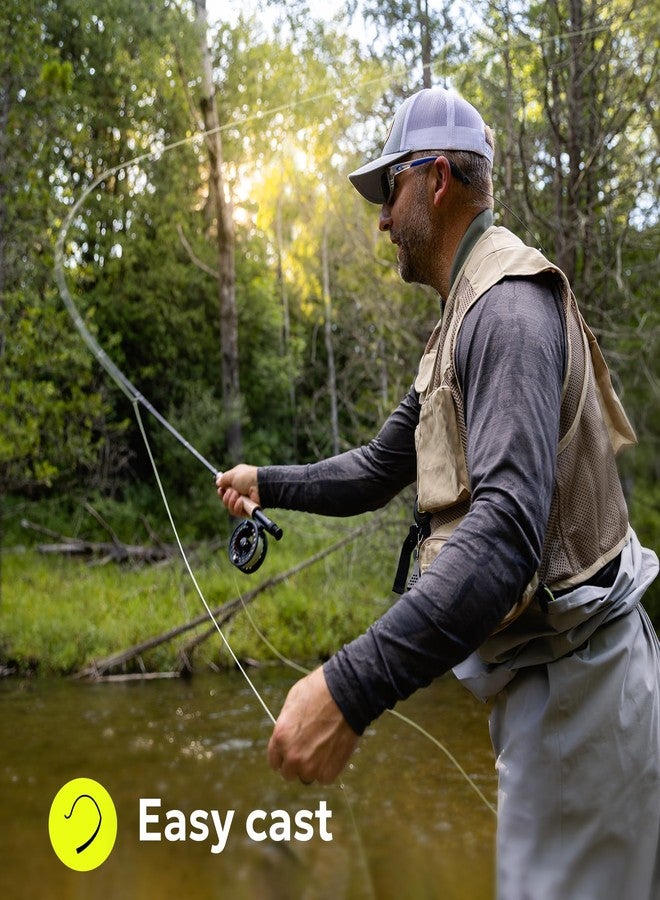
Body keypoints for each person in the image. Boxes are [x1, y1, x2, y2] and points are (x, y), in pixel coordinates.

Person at [217, 88, 660, 899]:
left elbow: (502, 541)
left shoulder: (509, 312)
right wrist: (264, 481)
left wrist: (346, 690)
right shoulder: (460, 320)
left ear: (439, 179)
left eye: (391, 190)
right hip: (547, 691)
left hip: (584, 700)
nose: (382, 218)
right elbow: (378, 468)